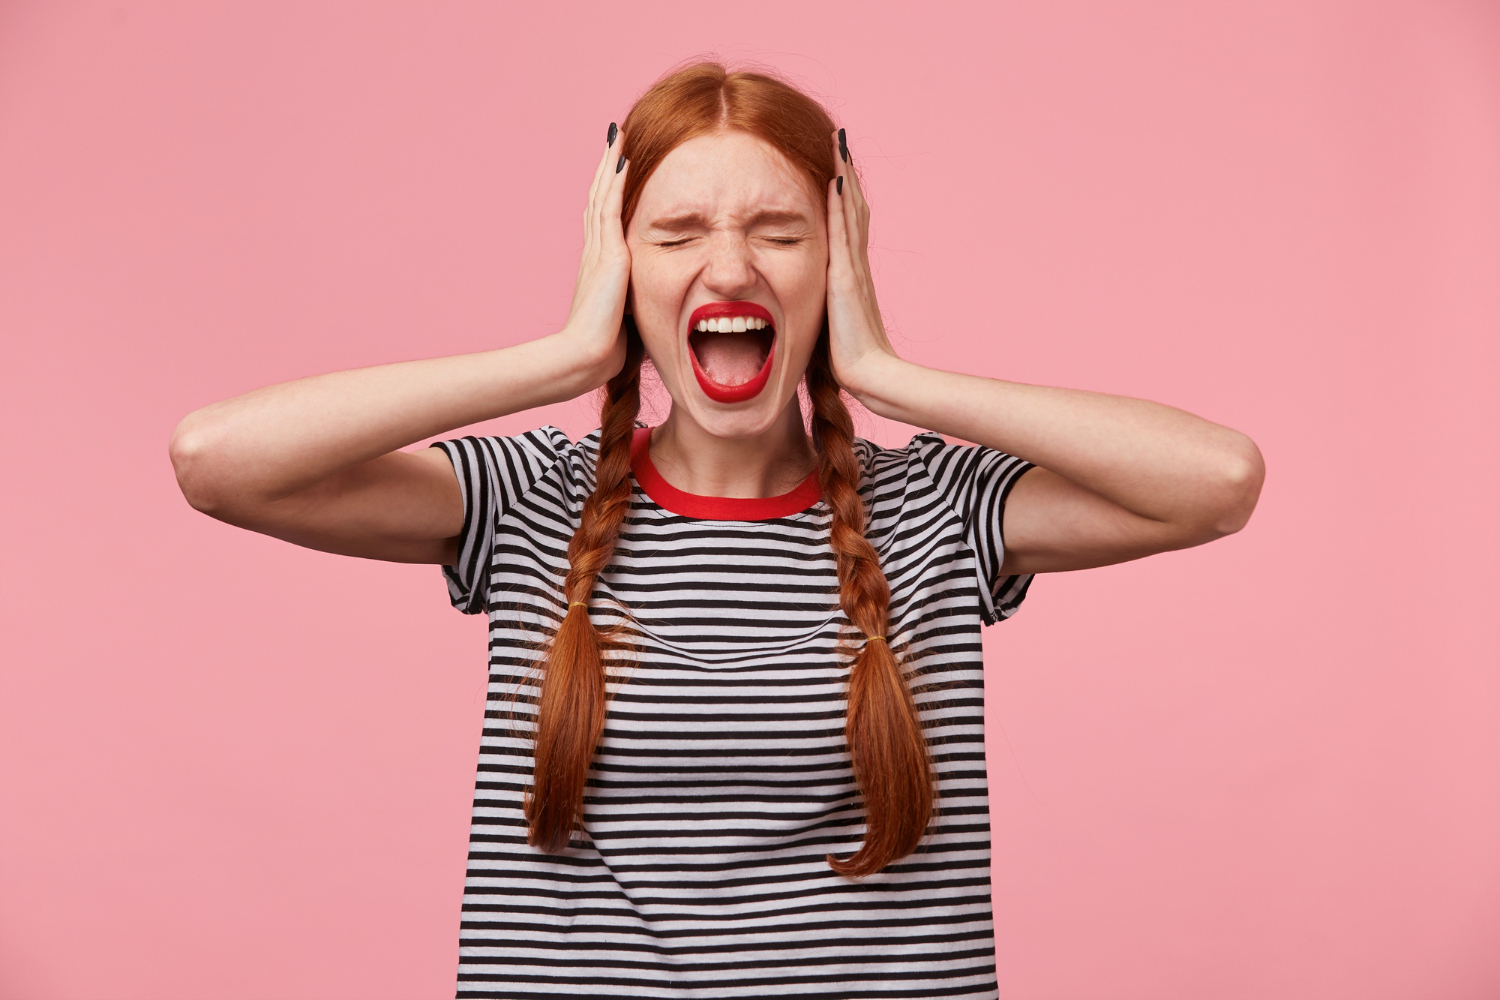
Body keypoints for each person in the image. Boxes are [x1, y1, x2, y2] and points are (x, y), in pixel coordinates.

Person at [170, 61, 1263, 1000]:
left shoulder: (937, 512)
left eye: (780, 231)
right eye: (677, 233)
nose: (731, 268)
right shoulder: (528, 502)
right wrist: (559, 358)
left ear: (835, 266)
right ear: (622, 268)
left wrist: (887, 373)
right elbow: (218, 463)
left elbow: (1215, 480)